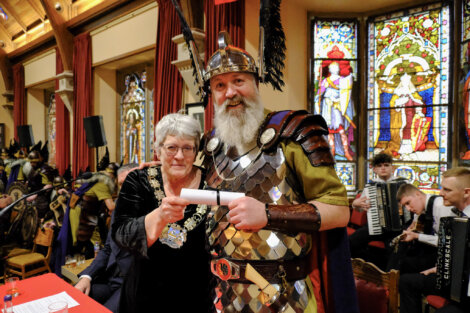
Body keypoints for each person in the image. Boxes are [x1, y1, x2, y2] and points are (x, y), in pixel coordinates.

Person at [201, 33, 357, 313]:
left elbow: (339, 210)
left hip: (286, 296)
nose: (230, 93)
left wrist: (268, 215)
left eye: (239, 81)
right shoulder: (211, 146)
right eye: (220, 85)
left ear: (256, 83)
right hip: (222, 296)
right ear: (212, 94)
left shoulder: (295, 133)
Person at [112, 113, 214, 313]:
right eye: (171, 148)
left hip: (196, 296)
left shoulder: (211, 183)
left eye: (187, 148)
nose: (179, 156)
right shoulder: (138, 181)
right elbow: (120, 234)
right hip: (145, 294)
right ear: (158, 150)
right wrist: (159, 217)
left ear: (196, 151)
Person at [399, 167, 470, 313]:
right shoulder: (458, 216)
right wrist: (441, 268)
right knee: (406, 281)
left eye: (447, 190)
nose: (441, 193)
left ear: (466, 192)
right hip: (452, 280)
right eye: (442, 188)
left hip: (466, 290)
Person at [74, 164, 137, 313]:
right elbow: (108, 248)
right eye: (122, 183)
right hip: (110, 278)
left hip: (132, 284)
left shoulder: (156, 212)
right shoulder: (118, 210)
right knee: (74, 299)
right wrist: (87, 276)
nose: (127, 186)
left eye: (132, 180)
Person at [349, 152, 406, 261]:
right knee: (351, 241)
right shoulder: (370, 187)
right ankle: (367, 264)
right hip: (375, 226)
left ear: (392, 168)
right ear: (374, 169)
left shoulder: (403, 184)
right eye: (379, 166)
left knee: (394, 252)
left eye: (386, 165)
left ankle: (385, 271)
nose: (383, 168)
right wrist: (355, 204)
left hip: (397, 229)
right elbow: (361, 208)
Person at [387, 183, 454, 273]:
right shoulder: (421, 209)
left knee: (403, 263)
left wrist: (416, 236)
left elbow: (447, 242)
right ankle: (388, 278)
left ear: (417, 194)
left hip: (446, 257)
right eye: (405, 206)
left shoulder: (441, 207)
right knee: (399, 251)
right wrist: (410, 230)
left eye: (408, 203)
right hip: (432, 250)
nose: (408, 209)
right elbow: (415, 225)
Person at [315, 46, 355, 160]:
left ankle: (346, 151)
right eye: (332, 67)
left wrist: (338, 101)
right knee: (330, 132)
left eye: (336, 67)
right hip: (327, 107)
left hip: (337, 107)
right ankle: (331, 152)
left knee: (341, 130)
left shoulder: (343, 80)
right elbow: (319, 95)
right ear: (330, 69)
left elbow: (345, 95)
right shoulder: (325, 81)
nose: (334, 69)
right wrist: (322, 91)